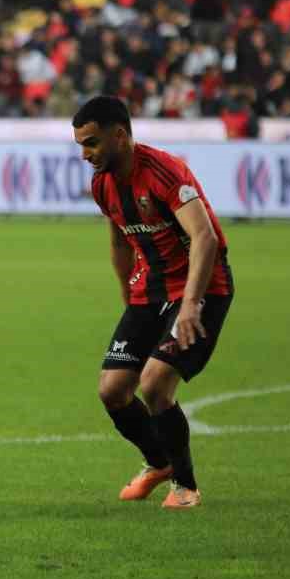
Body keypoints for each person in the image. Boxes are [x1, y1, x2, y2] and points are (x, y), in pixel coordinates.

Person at [72, 95, 234, 509]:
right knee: (112, 390)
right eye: (80, 146)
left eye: (91, 143)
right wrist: (130, 302)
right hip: (150, 293)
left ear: (120, 136)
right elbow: (119, 242)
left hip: (203, 288)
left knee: (155, 384)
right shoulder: (102, 184)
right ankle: (157, 461)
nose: (86, 154)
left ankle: (185, 486)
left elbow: (205, 237)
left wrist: (192, 304)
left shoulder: (164, 171)